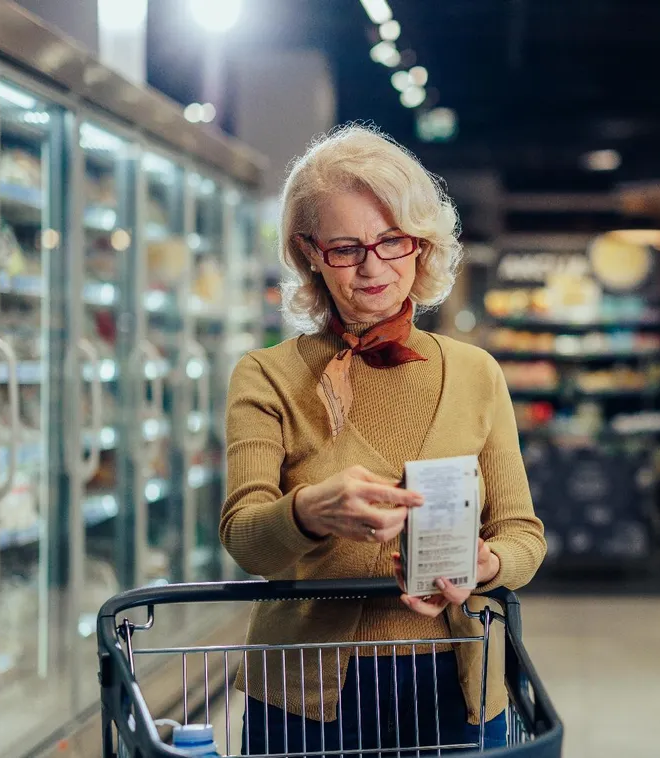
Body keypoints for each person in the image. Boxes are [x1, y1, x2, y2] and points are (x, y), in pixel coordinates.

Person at [220, 125, 546, 754]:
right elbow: (246, 542)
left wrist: (489, 564)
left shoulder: (475, 374)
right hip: (307, 694)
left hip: (457, 680)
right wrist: (309, 512)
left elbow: (524, 535)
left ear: (421, 246)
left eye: (392, 240)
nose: (373, 267)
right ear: (309, 252)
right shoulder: (267, 376)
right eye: (345, 248)